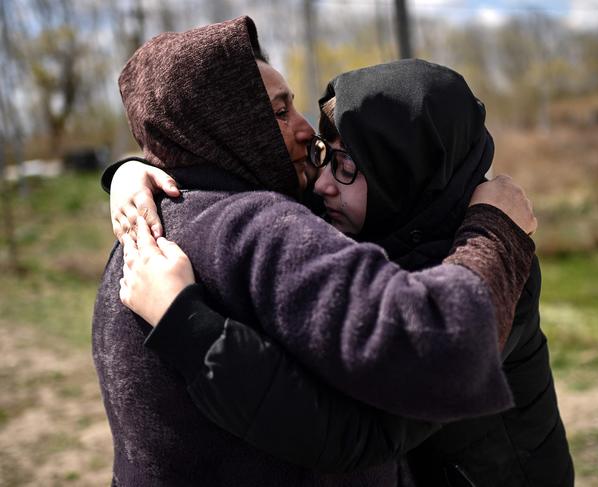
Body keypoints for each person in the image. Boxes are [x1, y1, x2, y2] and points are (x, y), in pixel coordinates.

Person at [93, 17, 537, 486]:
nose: (307, 130)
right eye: (280, 112)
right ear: (228, 125)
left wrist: (130, 170)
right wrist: (497, 231)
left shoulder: (143, 229)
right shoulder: (256, 228)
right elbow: (438, 346)